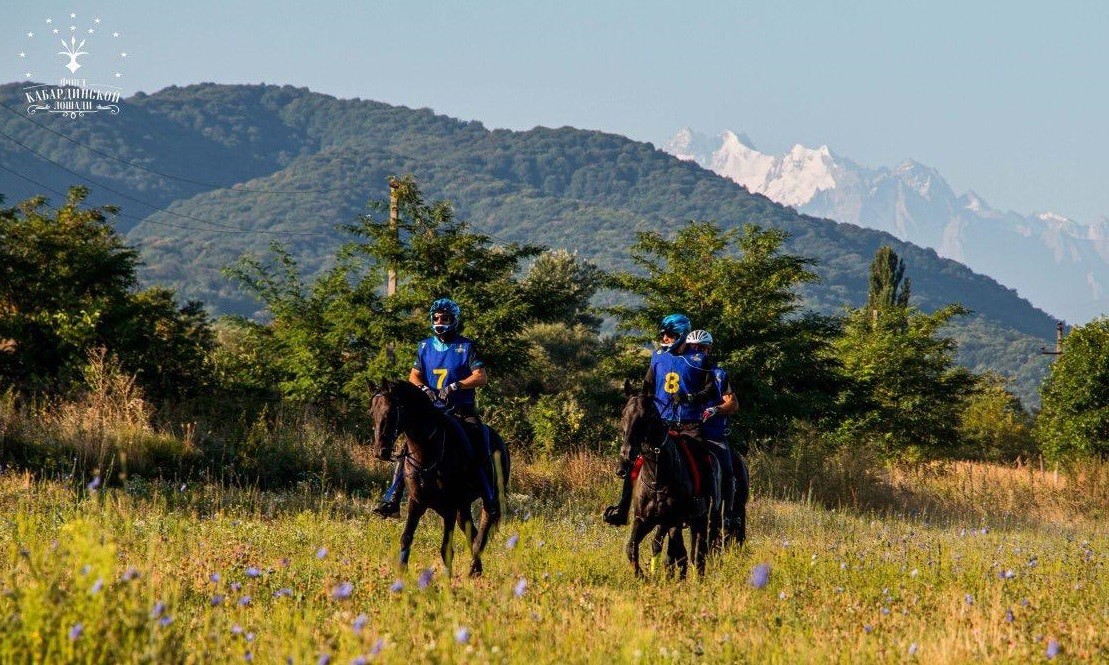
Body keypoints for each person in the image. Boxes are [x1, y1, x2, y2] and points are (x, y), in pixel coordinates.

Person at [373, 298, 499, 517]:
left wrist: (456, 385)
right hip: (433, 411)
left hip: (461, 410)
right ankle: (392, 498)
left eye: (445, 318)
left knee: (478, 440)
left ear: (454, 320)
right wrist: (423, 388)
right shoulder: (424, 346)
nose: (440, 322)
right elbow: (414, 376)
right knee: (407, 449)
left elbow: (481, 376)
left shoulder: (466, 346)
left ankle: (489, 495)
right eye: (437, 318)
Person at [603, 314, 717, 526]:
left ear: (681, 335)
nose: (665, 338)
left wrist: (690, 397)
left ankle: (707, 506)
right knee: (635, 459)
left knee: (704, 459)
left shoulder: (700, 359)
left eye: (670, 335)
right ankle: (622, 508)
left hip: (689, 423)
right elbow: (648, 387)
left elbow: (711, 390)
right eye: (663, 335)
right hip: (661, 423)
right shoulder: (657, 357)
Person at [688, 330, 745, 540]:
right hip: (685, 431)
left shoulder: (718, 374)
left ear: (708, 349)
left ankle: (726, 514)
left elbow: (733, 403)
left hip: (712, 434)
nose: (697, 351)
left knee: (728, 470)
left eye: (701, 348)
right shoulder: (682, 372)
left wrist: (716, 409)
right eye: (693, 347)